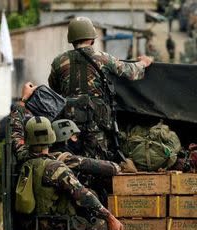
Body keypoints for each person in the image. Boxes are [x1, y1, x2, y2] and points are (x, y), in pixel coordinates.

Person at [48, 16, 153, 160]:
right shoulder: (103, 58)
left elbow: (54, 87)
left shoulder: (58, 62)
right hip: (96, 121)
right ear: (92, 39)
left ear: (71, 39)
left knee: (69, 159)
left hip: (68, 123)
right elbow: (131, 72)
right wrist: (144, 63)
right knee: (97, 161)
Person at [21, 116, 124, 230]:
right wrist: (109, 217)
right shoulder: (57, 168)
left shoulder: (24, 158)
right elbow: (83, 195)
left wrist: (20, 106)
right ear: (51, 136)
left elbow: (15, 139)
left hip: (32, 226)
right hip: (55, 227)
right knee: (103, 226)